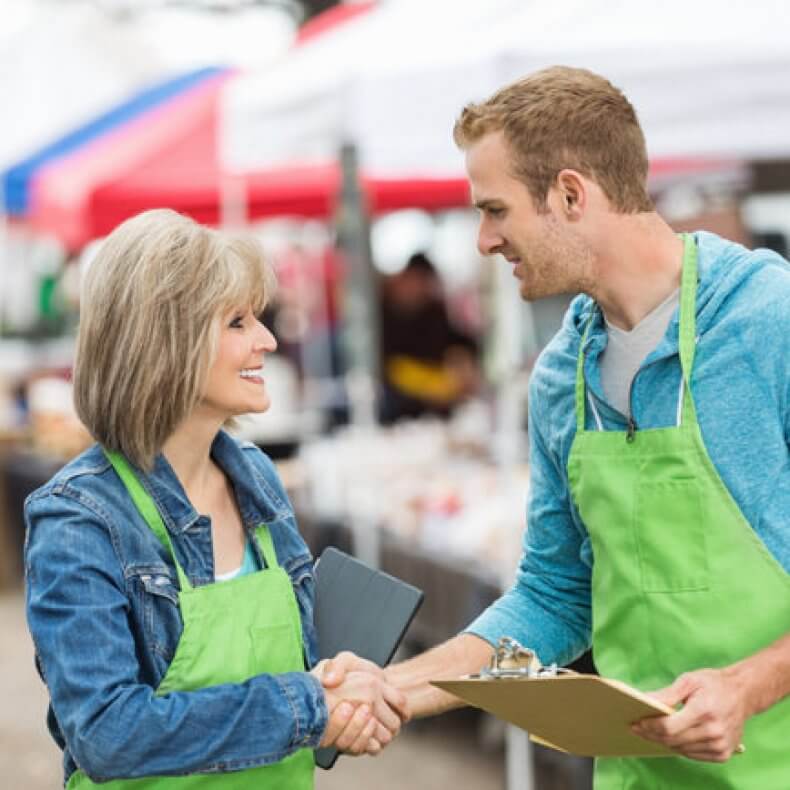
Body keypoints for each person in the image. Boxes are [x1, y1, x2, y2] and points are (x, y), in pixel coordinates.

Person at [325, 67, 790, 787]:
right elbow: (554, 595)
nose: (483, 239)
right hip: (640, 775)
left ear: (571, 194)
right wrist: (396, 690)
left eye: (495, 210)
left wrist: (748, 686)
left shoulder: (770, 322)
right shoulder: (559, 377)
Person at [24, 209, 407, 788]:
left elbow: (300, 676)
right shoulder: (79, 518)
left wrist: (342, 690)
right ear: (162, 341)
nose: (268, 339)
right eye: (237, 322)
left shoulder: (255, 477)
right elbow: (107, 732)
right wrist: (309, 707)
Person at [378, 252, 480, 424]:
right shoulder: (380, 317)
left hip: (437, 410)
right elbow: (390, 368)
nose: (416, 289)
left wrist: (463, 360)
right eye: (414, 281)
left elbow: (460, 342)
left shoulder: (434, 311)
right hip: (395, 407)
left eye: (423, 283)